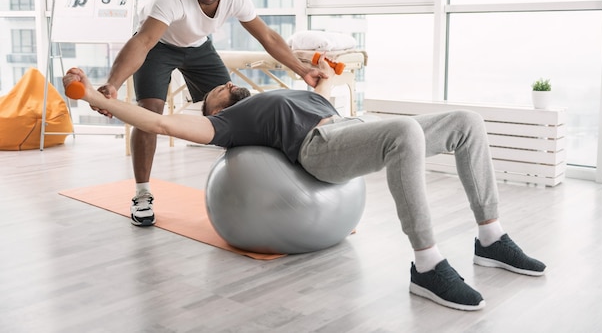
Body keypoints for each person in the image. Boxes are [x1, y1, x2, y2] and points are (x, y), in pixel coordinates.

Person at [63, 56, 546, 312]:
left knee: (467, 121)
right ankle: (427, 266)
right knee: (405, 131)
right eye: (212, 91)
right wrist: (99, 101)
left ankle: (491, 238)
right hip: (322, 149)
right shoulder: (227, 124)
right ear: (212, 110)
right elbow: (163, 124)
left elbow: (320, 91)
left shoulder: (276, 94)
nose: (220, 85)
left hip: (350, 125)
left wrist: (325, 71)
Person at [92, 0, 324, 227]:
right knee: (150, 115)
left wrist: (302, 70)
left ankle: (254, 188)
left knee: (237, 111)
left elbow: (268, 37)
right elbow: (142, 43)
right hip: (158, 46)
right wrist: (112, 84)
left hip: (198, 47)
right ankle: (142, 194)